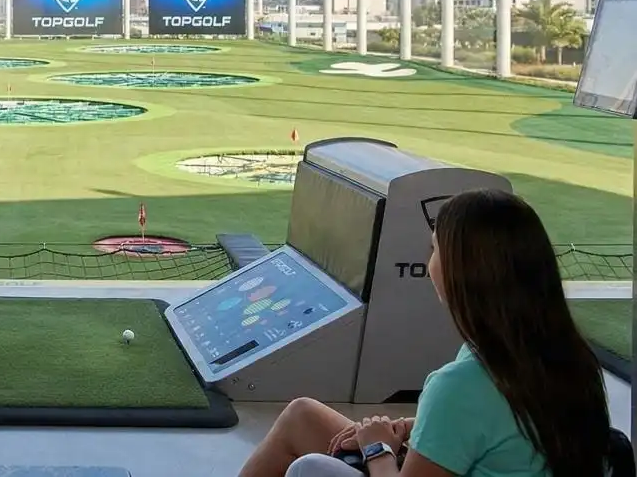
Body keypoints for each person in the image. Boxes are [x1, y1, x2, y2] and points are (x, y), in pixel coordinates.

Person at [237, 188, 611, 477]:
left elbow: (469, 410)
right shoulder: (570, 359)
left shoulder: (462, 384)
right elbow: (500, 426)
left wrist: (378, 449)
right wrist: (411, 426)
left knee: (309, 469)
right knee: (302, 416)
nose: (428, 261)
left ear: (461, 272)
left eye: (434, 248)